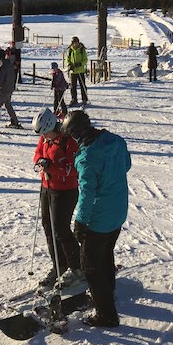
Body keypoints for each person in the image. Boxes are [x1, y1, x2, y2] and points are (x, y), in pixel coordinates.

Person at [61, 110, 131, 328]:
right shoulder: (116, 141)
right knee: (106, 253)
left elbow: (87, 194)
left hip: (100, 218)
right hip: (119, 211)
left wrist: (80, 222)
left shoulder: (87, 158)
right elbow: (126, 165)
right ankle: (107, 293)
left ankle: (106, 314)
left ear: (76, 134)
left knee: (91, 266)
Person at [32, 108, 83, 290]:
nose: (44, 137)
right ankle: (59, 264)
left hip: (66, 191)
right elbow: (38, 152)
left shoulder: (69, 140)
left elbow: (75, 169)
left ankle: (78, 267)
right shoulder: (46, 136)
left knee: (61, 229)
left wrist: (52, 168)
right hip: (47, 186)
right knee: (48, 226)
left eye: (46, 133)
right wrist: (40, 162)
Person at [0, 52, 20, 131]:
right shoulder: (10, 64)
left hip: (3, 89)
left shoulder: (2, 66)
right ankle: (15, 121)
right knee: (8, 104)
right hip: (10, 88)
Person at [64, 37, 89, 106]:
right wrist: (69, 64)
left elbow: (85, 59)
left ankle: (84, 99)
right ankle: (74, 99)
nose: (75, 44)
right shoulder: (70, 50)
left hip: (80, 70)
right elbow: (67, 59)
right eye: (74, 43)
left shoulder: (82, 49)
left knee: (82, 85)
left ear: (78, 42)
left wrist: (80, 64)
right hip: (73, 71)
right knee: (73, 86)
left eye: (76, 42)